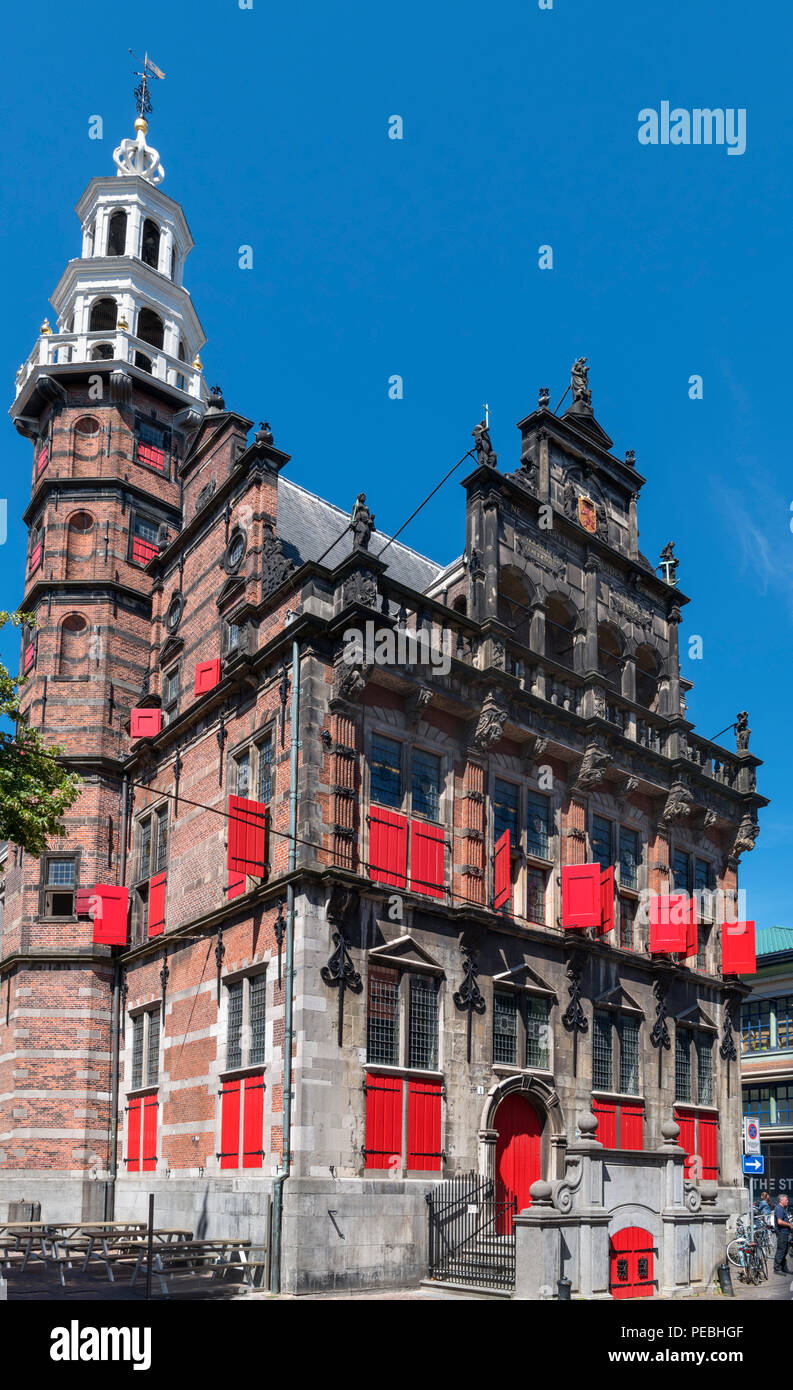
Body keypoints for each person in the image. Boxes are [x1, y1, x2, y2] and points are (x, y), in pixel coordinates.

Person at [773, 1193, 792, 1273]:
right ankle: (777, 1268)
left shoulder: (782, 1208)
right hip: (782, 1233)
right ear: (781, 1200)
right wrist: (789, 1225)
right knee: (781, 1250)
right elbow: (779, 1222)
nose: (788, 1201)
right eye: (786, 1200)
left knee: (785, 1251)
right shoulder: (779, 1208)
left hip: (785, 1232)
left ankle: (784, 1268)